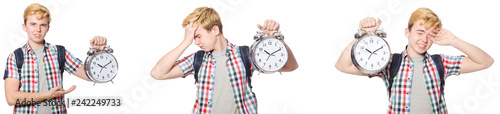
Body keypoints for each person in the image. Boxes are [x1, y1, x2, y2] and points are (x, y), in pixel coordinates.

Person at [335, 7, 493, 113]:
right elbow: (342, 66)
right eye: (420, 32)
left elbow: (486, 62)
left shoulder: (441, 63)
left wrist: (454, 41)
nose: (424, 39)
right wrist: (364, 36)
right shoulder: (389, 63)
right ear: (407, 32)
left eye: (430, 35)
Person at [150, 7, 298, 114]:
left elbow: (291, 66)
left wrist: (274, 38)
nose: (195, 42)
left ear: (215, 30)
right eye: (193, 38)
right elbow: (157, 73)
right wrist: (185, 42)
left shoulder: (246, 55)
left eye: (198, 36)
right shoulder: (198, 59)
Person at [3, 3, 108, 114]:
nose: (38, 29)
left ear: (48, 28)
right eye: (33, 24)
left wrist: (98, 53)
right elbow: (11, 98)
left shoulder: (59, 53)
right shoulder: (15, 57)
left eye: (42, 25)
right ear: (24, 27)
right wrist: (47, 96)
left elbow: (91, 75)